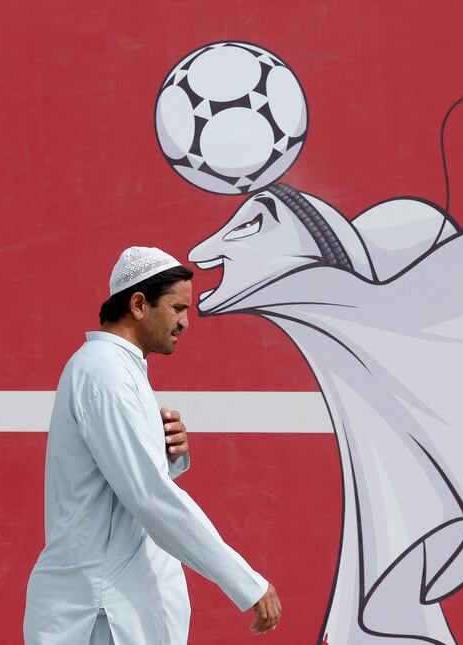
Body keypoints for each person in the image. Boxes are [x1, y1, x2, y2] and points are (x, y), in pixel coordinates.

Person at [24, 246, 281, 644]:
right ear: (139, 304)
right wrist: (244, 581)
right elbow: (148, 495)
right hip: (101, 615)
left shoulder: (118, 370)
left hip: (116, 610)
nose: (185, 322)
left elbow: (125, 483)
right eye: (177, 308)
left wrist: (165, 454)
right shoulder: (105, 372)